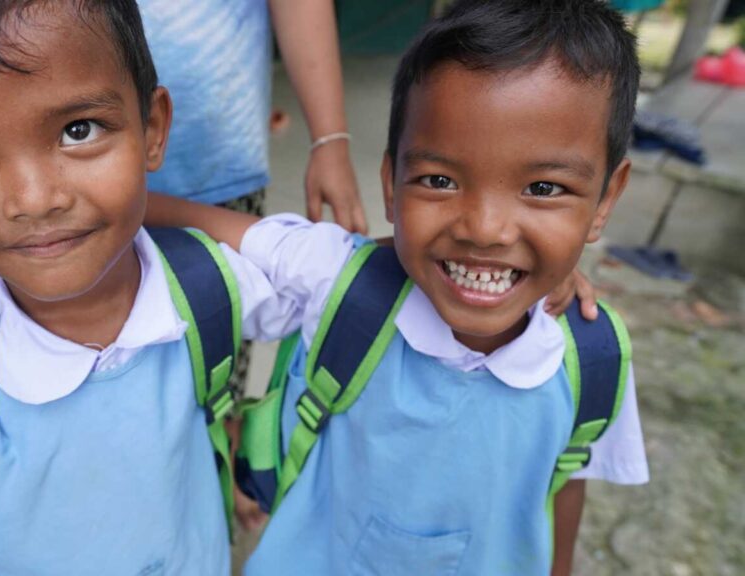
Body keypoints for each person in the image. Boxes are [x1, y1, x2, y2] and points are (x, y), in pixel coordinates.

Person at [144, 1, 650, 574]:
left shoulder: (593, 356)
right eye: (438, 180)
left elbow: (566, 483)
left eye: (543, 188)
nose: (483, 230)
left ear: (605, 199)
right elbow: (180, 218)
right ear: (390, 183)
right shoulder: (335, 275)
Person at [0, 1, 300, 573]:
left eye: (77, 130)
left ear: (153, 129)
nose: (34, 200)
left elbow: (339, 274)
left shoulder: (210, 284)